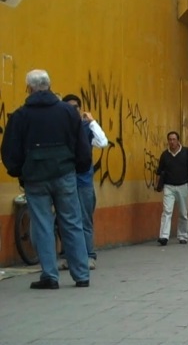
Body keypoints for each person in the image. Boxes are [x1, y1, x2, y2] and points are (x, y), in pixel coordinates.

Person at [1, 69, 91, 289]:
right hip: (65, 174)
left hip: (35, 178)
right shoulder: (67, 112)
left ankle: (50, 276)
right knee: (72, 222)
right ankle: (81, 275)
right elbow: (81, 145)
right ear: (49, 86)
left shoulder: (21, 115)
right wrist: (78, 167)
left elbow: (10, 150)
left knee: (42, 225)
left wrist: (19, 172)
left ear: (30, 88)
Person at [57, 94, 108, 271]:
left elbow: (102, 142)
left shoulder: (85, 127)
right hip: (65, 180)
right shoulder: (61, 128)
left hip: (83, 182)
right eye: (68, 107)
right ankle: (68, 257)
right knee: (65, 221)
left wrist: (92, 122)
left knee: (84, 220)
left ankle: (89, 256)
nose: (72, 110)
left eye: (75, 107)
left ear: (80, 109)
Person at [155, 131, 188, 246]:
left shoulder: (186, 152)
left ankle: (183, 236)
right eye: (170, 139)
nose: (172, 142)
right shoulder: (165, 155)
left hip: (182, 185)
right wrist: (157, 184)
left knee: (183, 213)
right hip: (168, 186)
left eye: (174, 139)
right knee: (167, 211)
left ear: (178, 140)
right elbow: (159, 171)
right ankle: (164, 236)